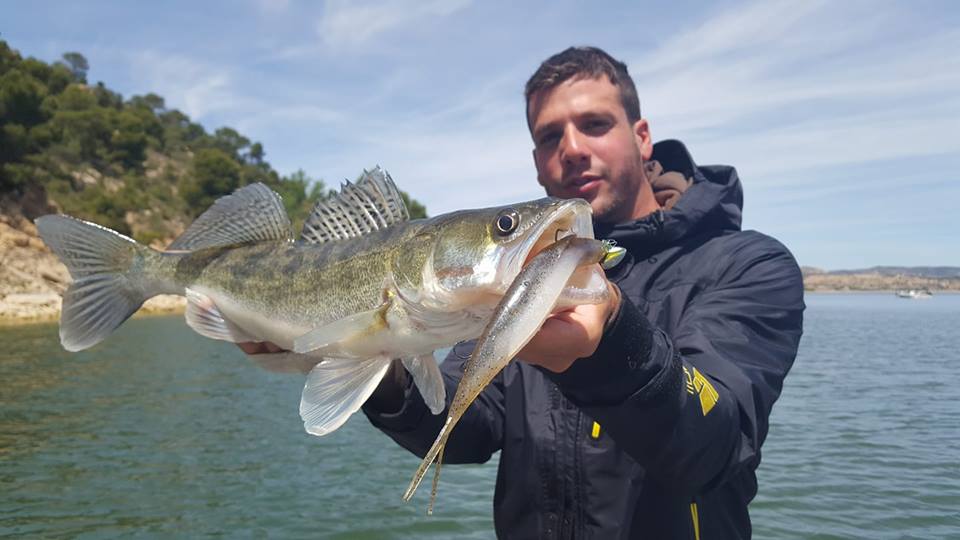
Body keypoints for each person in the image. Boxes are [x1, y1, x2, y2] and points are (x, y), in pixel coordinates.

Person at [360, 46, 805, 539]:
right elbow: (470, 428)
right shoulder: (510, 277)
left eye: (594, 124)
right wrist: (373, 364)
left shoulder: (748, 265)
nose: (571, 148)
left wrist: (611, 343)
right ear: (536, 163)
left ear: (641, 137)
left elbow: (717, 445)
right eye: (550, 136)